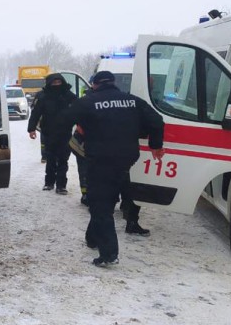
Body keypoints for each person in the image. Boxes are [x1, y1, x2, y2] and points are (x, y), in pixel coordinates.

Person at [61, 70, 164, 267]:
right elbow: (157, 121)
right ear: (113, 83)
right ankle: (92, 238)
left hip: (100, 159)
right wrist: (156, 145)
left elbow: (65, 119)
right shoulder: (132, 100)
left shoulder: (88, 102)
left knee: (100, 204)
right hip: (126, 158)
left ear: (95, 84)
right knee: (104, 199)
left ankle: (108, 254)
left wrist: (81, 126)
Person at [27, 73, 77, 194]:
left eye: (58, 82)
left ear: (63, 82)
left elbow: (79, 111)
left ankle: (61, 185)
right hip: (48, 132)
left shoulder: (69, 95)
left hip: (65, 132)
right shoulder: (43, 96)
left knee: (63, 160)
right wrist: (31, 129)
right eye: (54, 83)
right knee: (50, 159)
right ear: (49, 83)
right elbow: (36, 113)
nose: (56, 85)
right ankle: (49, 182)